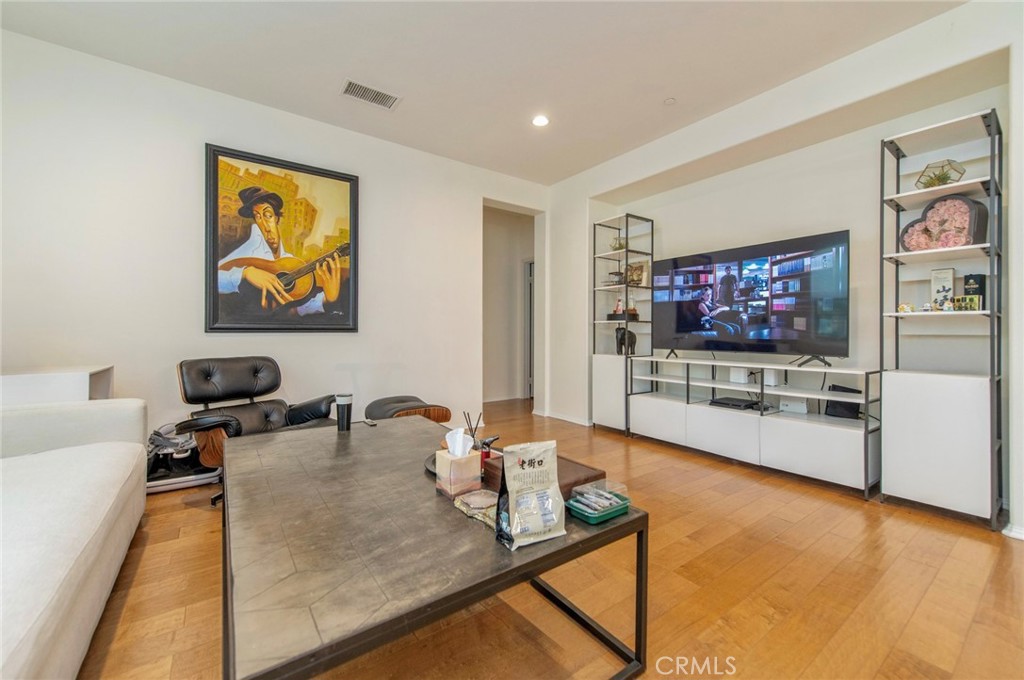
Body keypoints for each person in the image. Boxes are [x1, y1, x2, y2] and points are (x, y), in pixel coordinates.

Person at [218, 187, 346, 320]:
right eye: (258, 217)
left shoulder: (290, 262)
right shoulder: (249, 252)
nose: (265, 227)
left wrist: (327, 299)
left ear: (277, 218)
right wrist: (246, 273)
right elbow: (212, 280)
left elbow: (296, 306)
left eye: (268, 216)